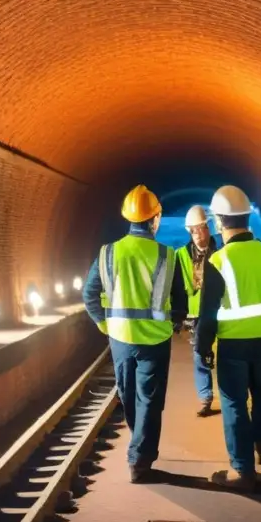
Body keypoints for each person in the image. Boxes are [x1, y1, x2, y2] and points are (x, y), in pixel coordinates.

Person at [82, 185, 188, 483]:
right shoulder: (167, 255)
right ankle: (140, 458)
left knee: (128, 396)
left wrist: (105, 324)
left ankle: (138, 450)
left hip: (120, 339)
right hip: (155, 339)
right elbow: (179, 300)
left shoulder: (107, 253)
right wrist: (175, 324)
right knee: (150, 401)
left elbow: (89, 295)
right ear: (154, 219)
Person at [194, 185, 261, 491]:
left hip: (233, 344)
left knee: (234, 401)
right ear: (247, 217)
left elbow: (208, 311)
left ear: (218, 220)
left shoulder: (219, 261)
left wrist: (203, 347)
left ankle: (242, 470)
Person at [175, 205, 219, 416]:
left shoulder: (221, 252)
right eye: (193, 230)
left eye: (200, 228)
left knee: (224, 354)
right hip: (196, 315)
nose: (197, 234)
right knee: (199, 355)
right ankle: (205, 397)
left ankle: (230, 395)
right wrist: (178, 316)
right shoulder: (181, 255)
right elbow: (177, 288)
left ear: (207, 228)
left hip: (220, 312)